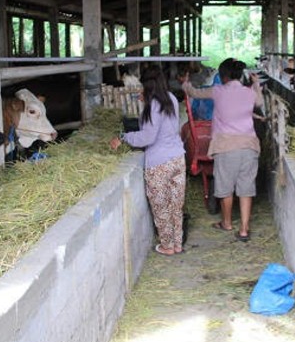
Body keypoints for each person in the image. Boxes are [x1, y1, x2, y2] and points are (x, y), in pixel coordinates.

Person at [181, 58, 262, 242]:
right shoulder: (249, 93)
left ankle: (226, 223)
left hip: (226, 147)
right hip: (249, 146)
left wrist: (185, 83)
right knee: (246, 188)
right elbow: (259, 102)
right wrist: (256, 83)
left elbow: (194, 92)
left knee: (225, 188)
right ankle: (244, 229)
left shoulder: (217, 91)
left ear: (223, 76)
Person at [110, 65, 187, 256]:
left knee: (161, 207)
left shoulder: (153, 105)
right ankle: (177, 243)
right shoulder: (171, 99)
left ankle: (167, 246)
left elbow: (147, 138)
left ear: (147, 85)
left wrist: (124, 137)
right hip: (177, 158)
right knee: (176, 205)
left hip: (159, 163)